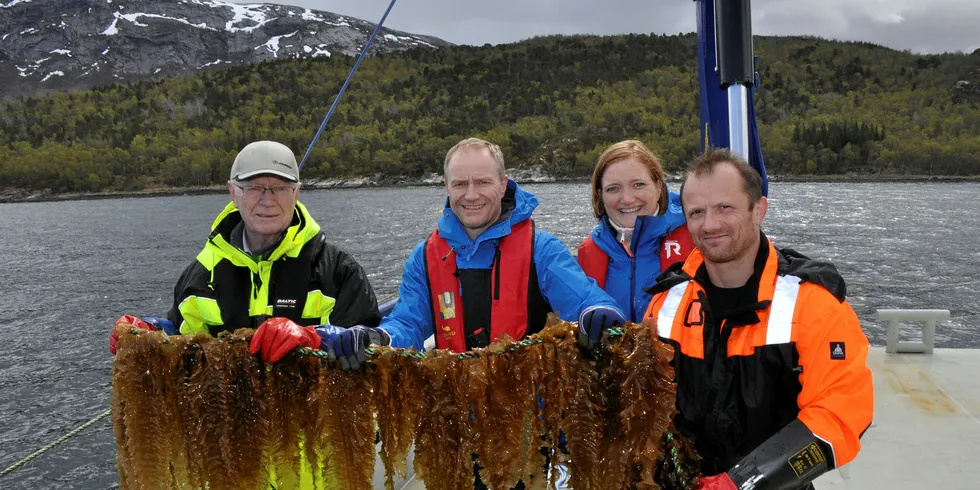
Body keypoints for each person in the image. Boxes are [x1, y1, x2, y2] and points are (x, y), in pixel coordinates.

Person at [642, 148, 874, 490]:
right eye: (696, 212)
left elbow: (839, 411)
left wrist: (743, 482)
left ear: (759, 209)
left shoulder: (813, 302)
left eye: (725, 208)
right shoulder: (665, 304)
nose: (710, 224)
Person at [109, 140, 382, 367]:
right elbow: (185, 345)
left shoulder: (339, 271)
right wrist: (152, 332)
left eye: (280, 188)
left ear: (297, 193)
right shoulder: (200, 277)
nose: (267, 200)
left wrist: (322, 338)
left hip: (317, 429)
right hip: (231, 429)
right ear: (233, 193)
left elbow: (375, 344)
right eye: (253, 188)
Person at [577, 140, 694, 321]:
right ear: (600, 195)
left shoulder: (698, 236)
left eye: (638, 185)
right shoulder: (589, 251)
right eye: (613, 188)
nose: (628, 199)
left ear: (658, 187)